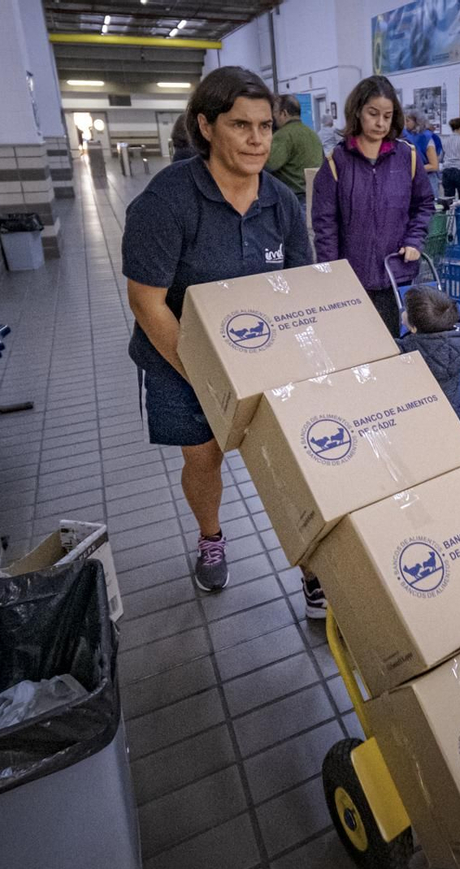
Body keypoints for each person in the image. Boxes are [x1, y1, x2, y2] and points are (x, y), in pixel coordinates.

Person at [122, 67, 313, 594]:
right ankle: (211, 536)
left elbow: (301, 290)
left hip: (263, 353)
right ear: (206, 127)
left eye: (265, 126)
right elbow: (147, 302)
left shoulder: (281, 202)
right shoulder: (166, 202)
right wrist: (209, 379)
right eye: (240, 126)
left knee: (293, 459)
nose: (257, 140)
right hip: (177, 357)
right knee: (204, 456)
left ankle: (318, 563)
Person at [312, 75, 436, 336]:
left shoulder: (407, 156)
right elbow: (325, 224)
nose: (380, 123)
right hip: (352, 281)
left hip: (397, 276)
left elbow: (424, 204)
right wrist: (331, 273)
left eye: (387, 116)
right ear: (357, 111)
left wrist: (414, 240)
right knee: (356, 345)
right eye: (373, 114)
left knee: (395, 346)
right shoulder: (337, 162)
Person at [397, 286, 460, 429]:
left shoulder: (406, 349)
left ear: (413, 328)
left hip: (421, 424)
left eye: (406, 310)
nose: (403, 312)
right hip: (457, 419)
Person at [265, 94, 325, 210]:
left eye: (275, 112)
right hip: (313, 197)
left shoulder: (283, 135)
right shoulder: (312, 134)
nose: (274, 117)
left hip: (293, 199)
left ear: (284, 113)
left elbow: (270, 164)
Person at [405, 108, 442, 175]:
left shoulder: (426, 137)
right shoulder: (405, 134)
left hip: (427, 177)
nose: (405, 123)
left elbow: (434, 166)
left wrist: (412, 169)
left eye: (407, 121)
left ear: (416, 121)